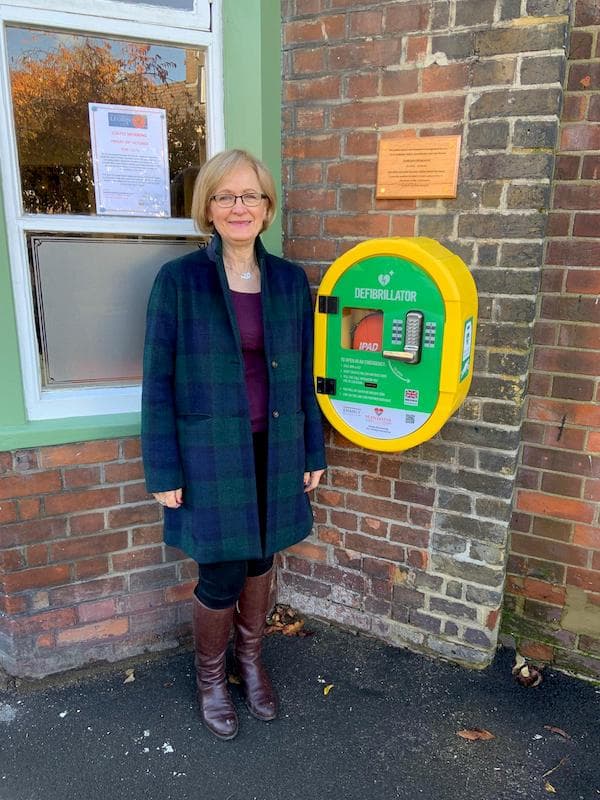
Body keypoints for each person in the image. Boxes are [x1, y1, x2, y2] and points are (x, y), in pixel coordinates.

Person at [141, 149, 326, 740]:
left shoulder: (289, 281)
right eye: (225, 196)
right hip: (210, 453)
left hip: (275, 445)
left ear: (267, 208)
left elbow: (304, 374)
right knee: (220, 571)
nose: (238, 206)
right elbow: (157, 380)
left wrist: (311, 452)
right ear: (209, 208)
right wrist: (163, 468)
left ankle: (251, 660)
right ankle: (211, 678)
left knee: (261, 558)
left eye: (250, 196)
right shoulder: (180, 280)